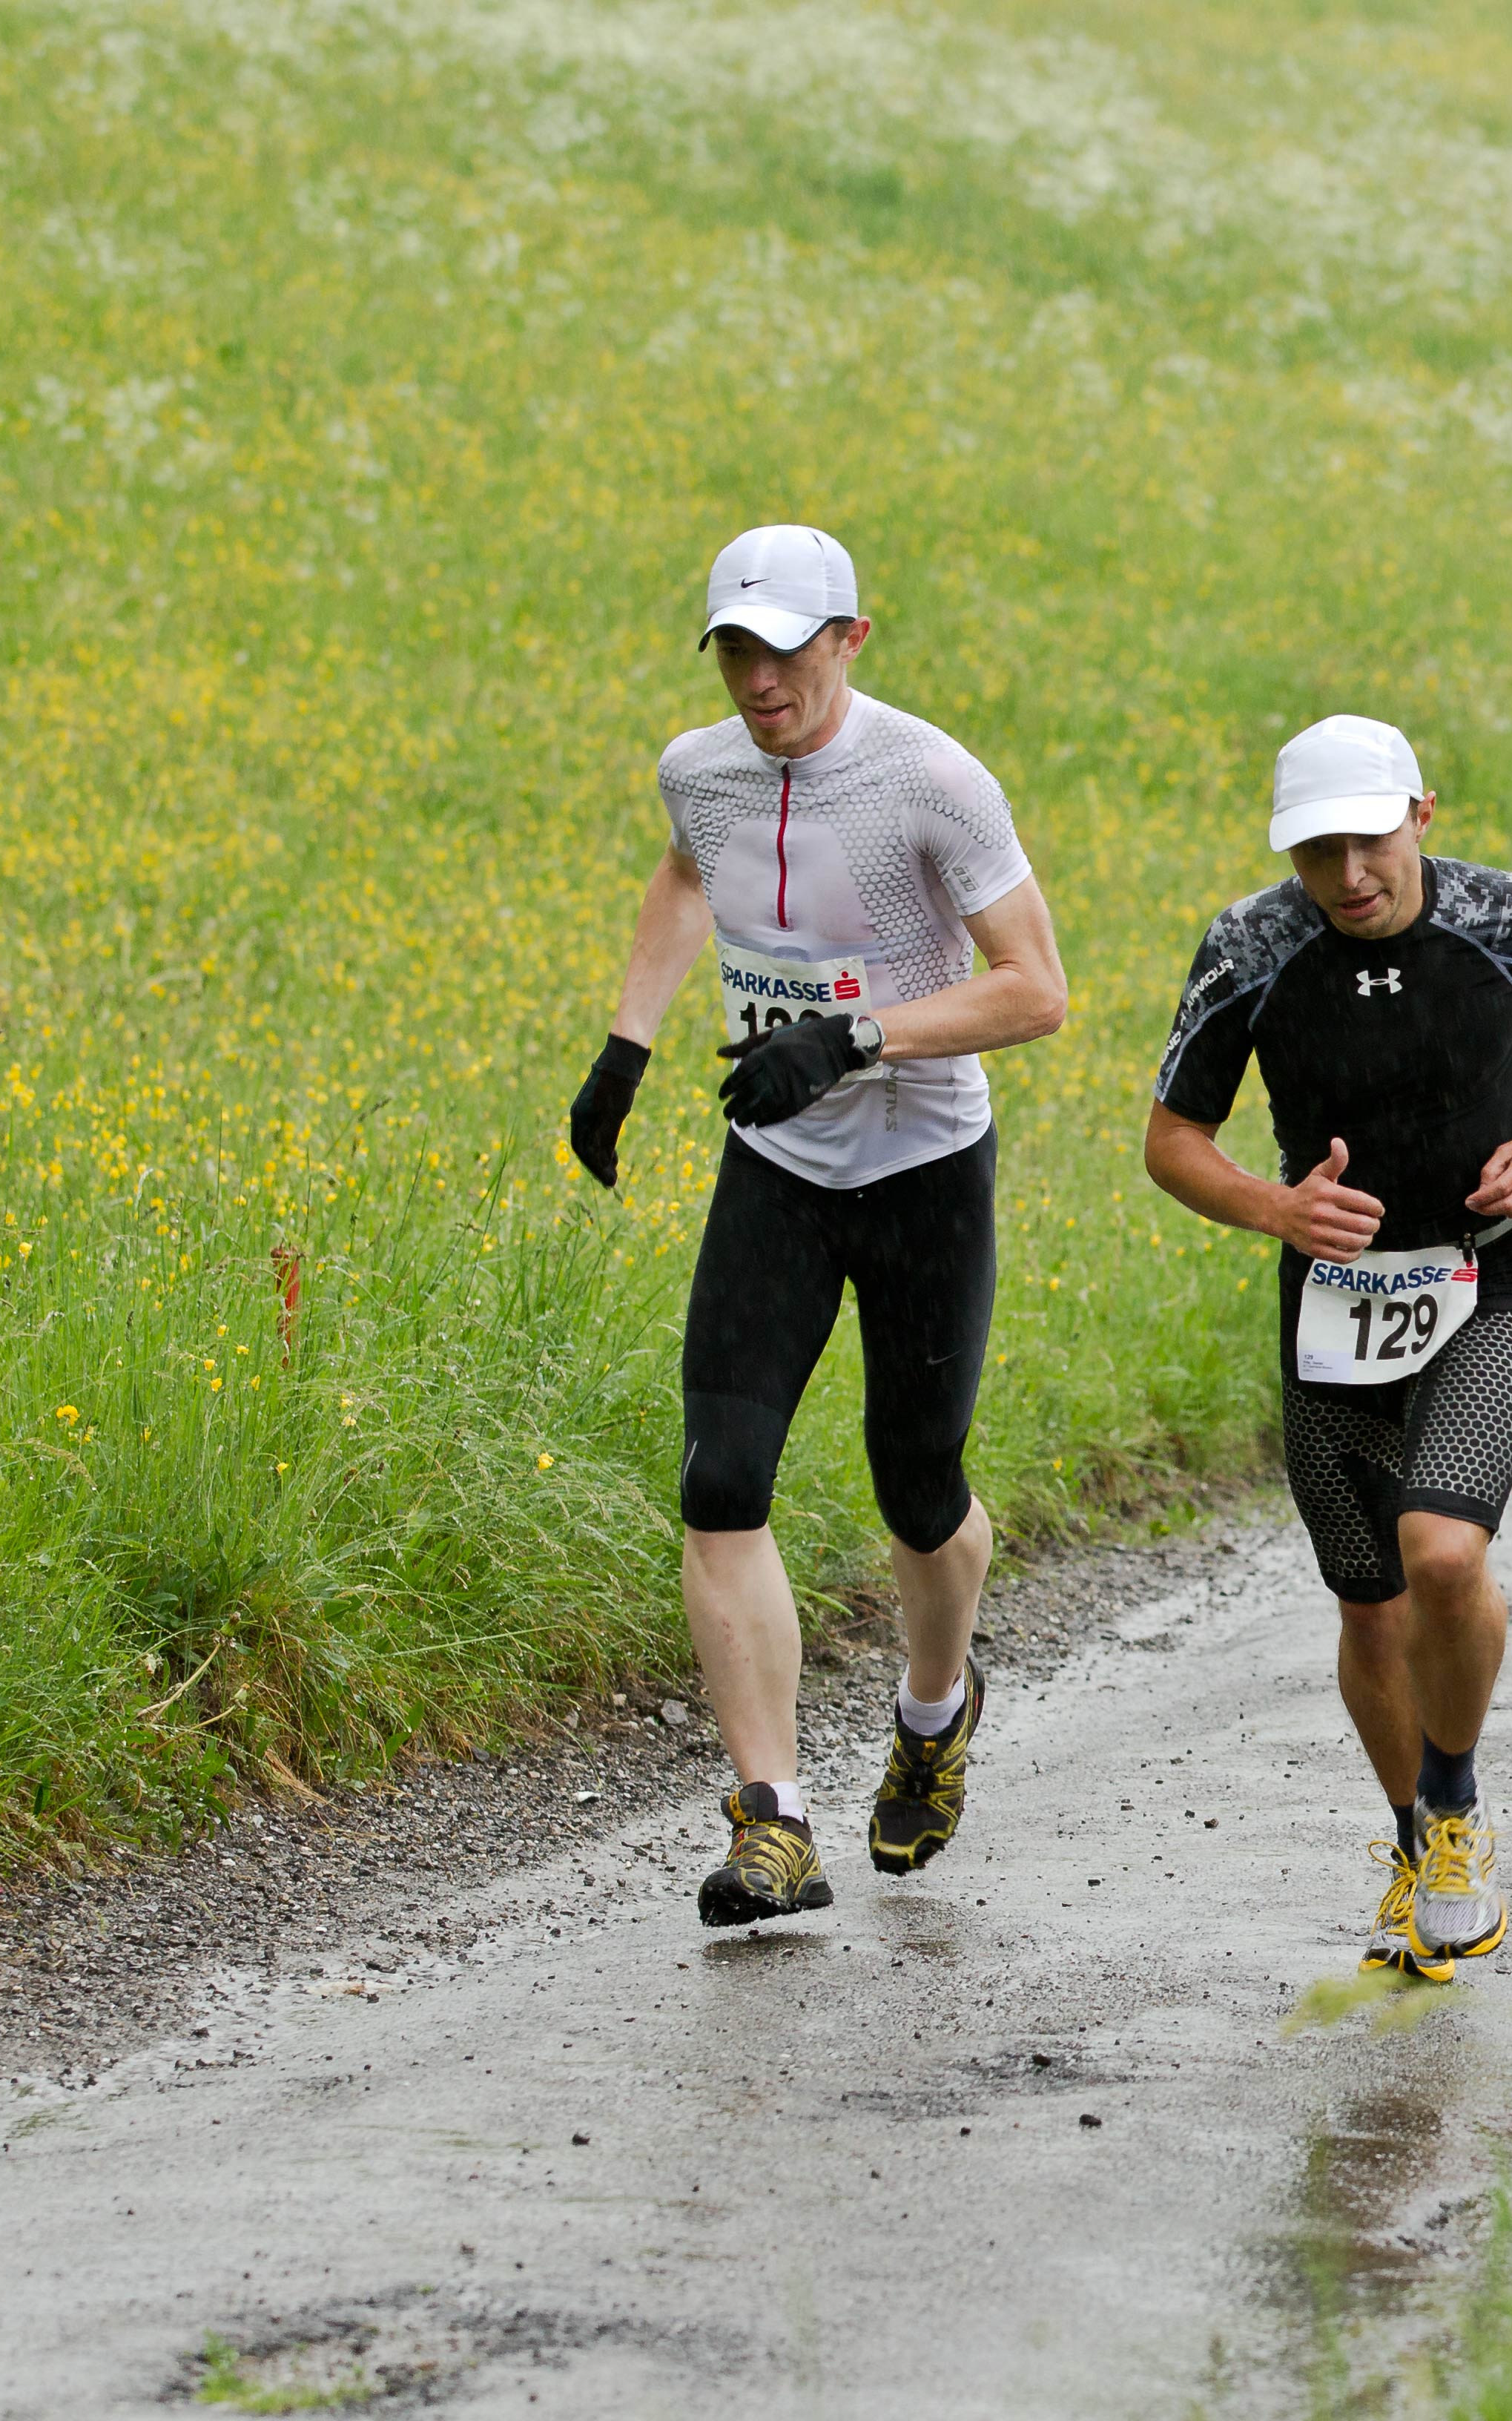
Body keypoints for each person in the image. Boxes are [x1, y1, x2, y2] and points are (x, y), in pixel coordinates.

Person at [567, 524, 1068, 1928]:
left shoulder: (932, 780)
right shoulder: (700, 769)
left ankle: (934, 1710)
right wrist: (626, 1046)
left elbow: (1036, 988)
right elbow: (690, 874)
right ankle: (773, 1819)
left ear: (851, 638)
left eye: (785, 649)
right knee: (721, 1480)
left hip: (923, 1166)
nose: (758, 680)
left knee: (918, 1487)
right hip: (775, 1166)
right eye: (734, 650)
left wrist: (853, 1036)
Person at [1147, 716, 1512, 1981]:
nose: (1349, 874)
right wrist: (1274, 1206)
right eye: (1317, 851)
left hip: (1484, 1276)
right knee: (1369, 1606)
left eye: (1369, 842)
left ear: (1421, 815)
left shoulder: (1503, 913)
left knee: (1444, 1551)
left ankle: (1458, 1805)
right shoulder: (1252, 944)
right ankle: (1415, 1841)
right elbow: (1172, 1140)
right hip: (1333, 1302)